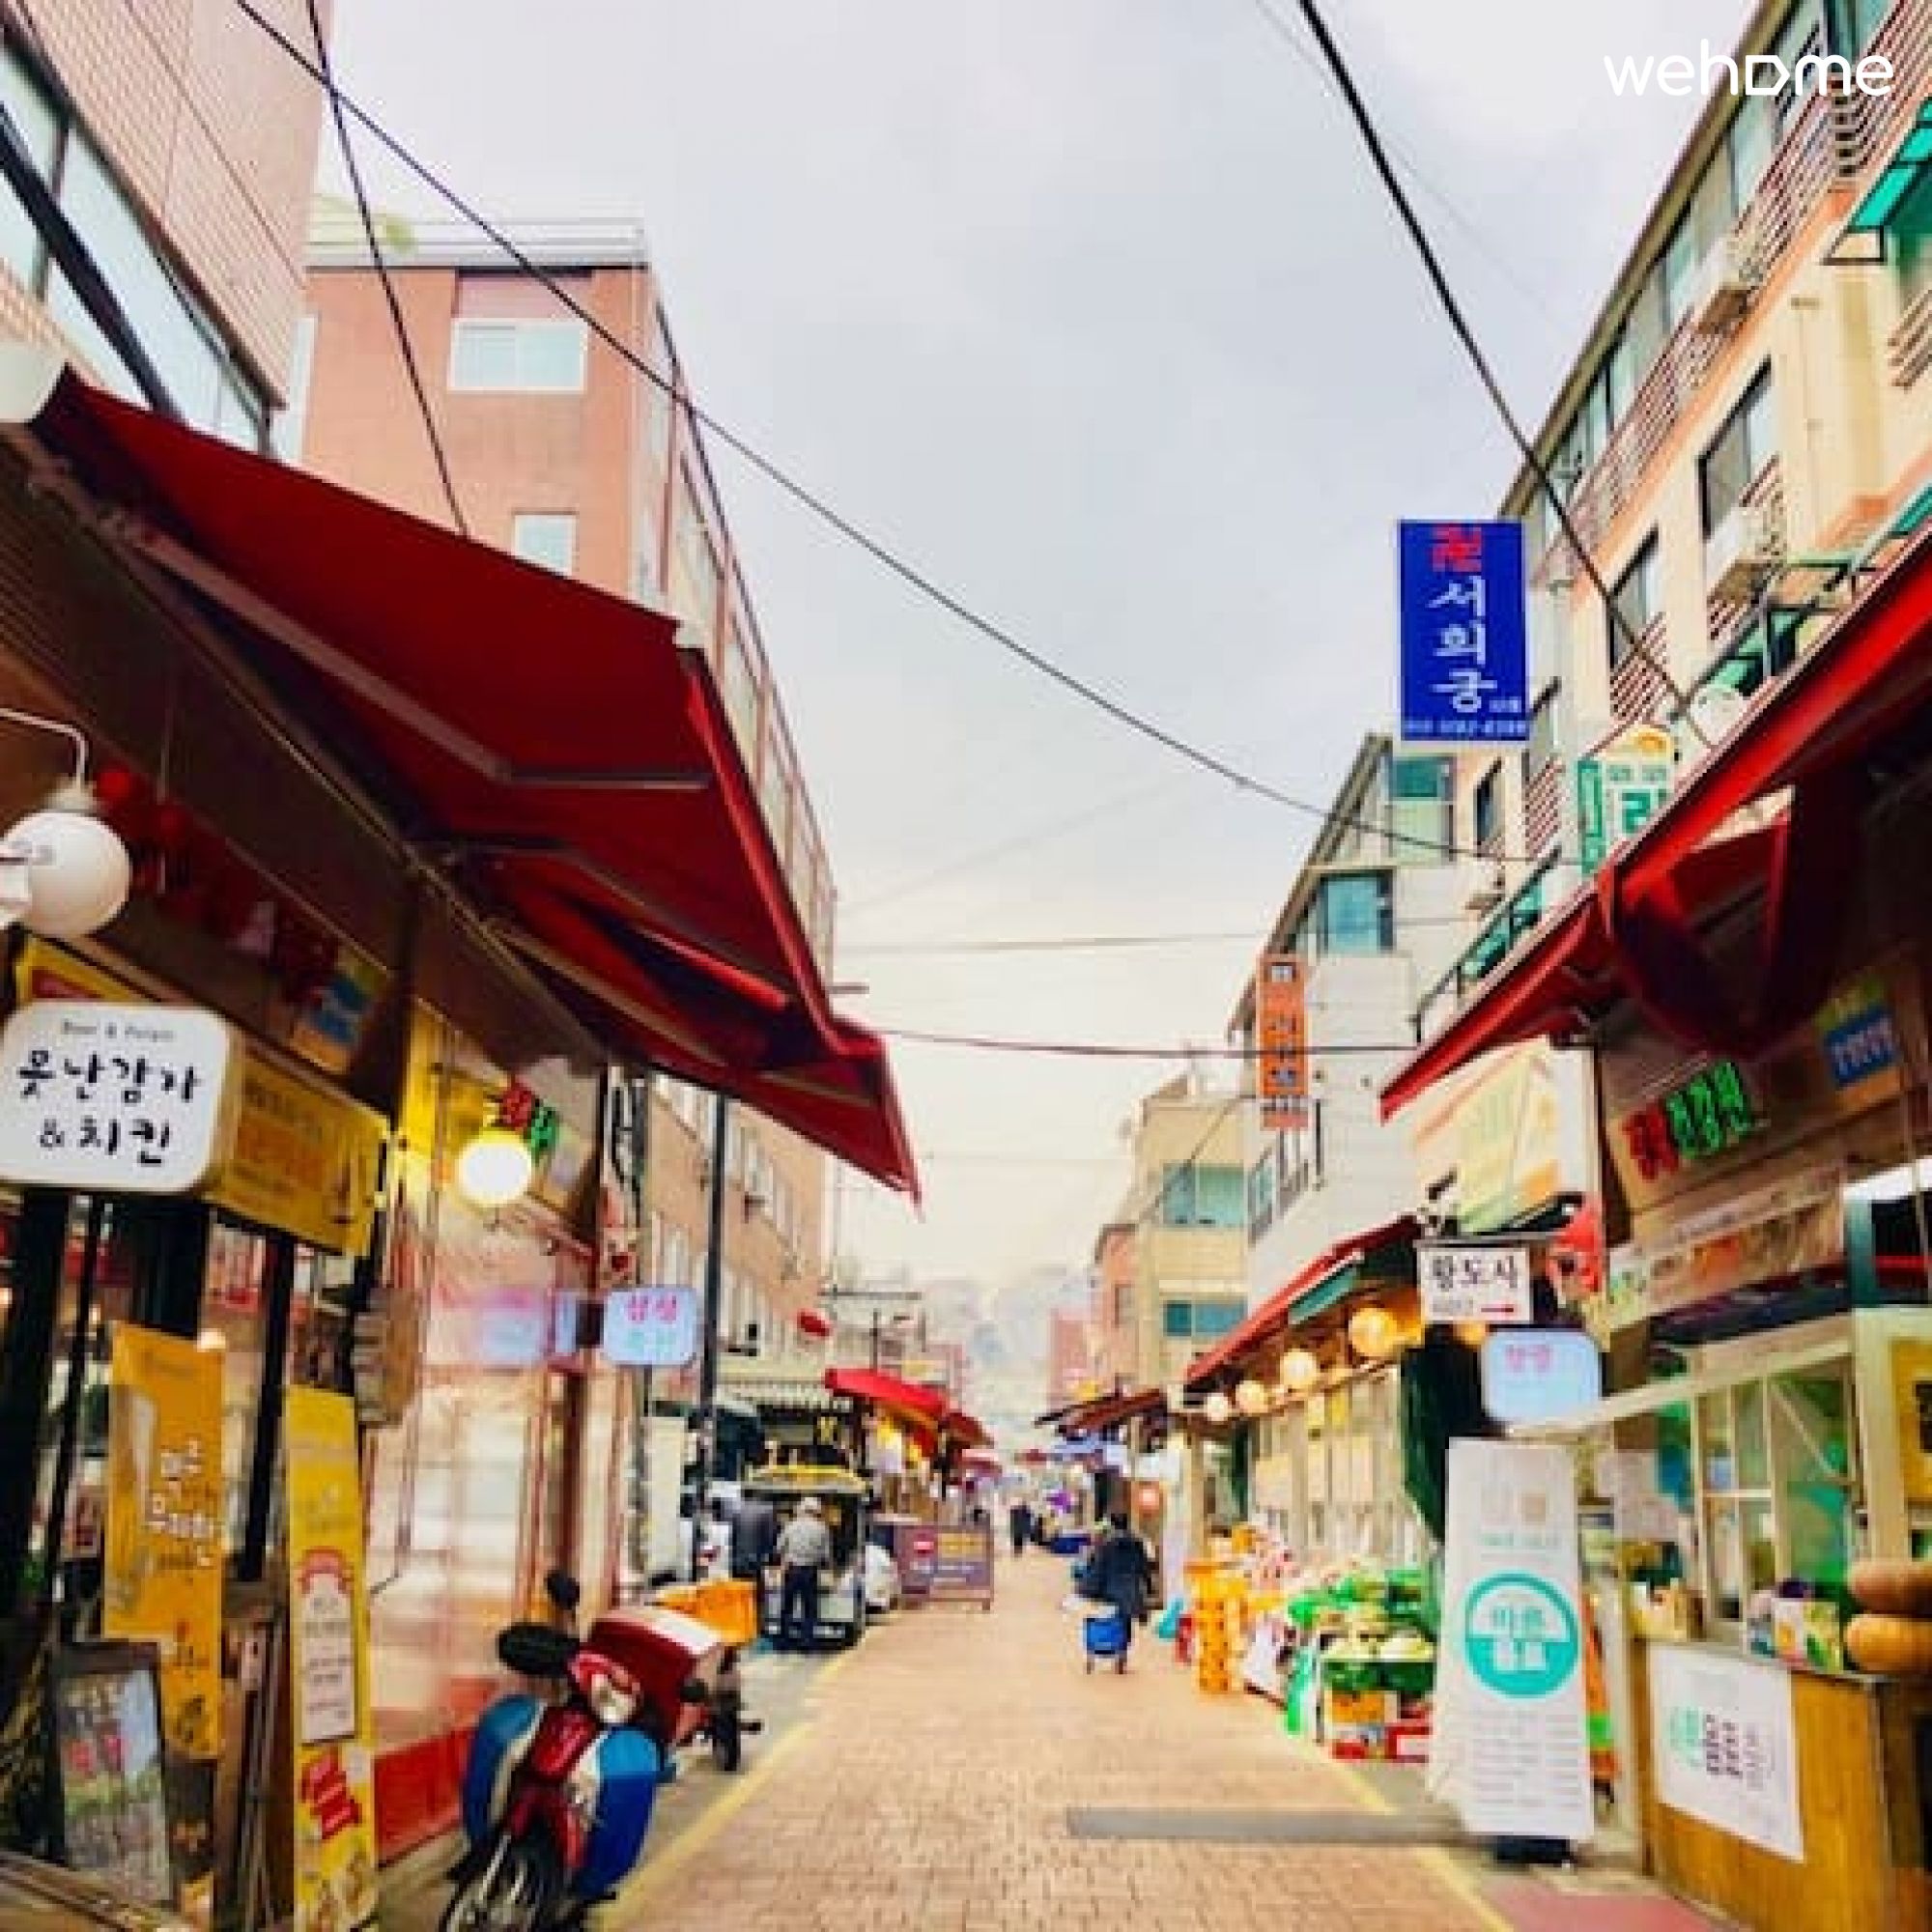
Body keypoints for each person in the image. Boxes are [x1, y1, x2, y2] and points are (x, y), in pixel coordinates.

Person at [1086, 1512, 1155, 1671]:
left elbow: (1099, 1567)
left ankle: (1105, 1648)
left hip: (1111, 1589)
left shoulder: (1106, 1544)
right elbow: (1143, 1566)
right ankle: (1122, 1654)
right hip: (1130, 1589)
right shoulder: (1137, 1542)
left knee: (1110, 1620)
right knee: (1125, 1622)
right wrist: (1149, 1587)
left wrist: (1089, 1588)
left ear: (1112, 1524)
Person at [774, 1496, 832, 1651]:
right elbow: (826, 1555)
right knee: (809, 1608)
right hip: (810, 1571)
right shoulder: (822, 1528)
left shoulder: (791, 1526)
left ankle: (783, 1641)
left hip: (791, 1570)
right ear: (816, 1511)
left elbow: (779, 1548)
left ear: (802, 1509)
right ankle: (807, 1642)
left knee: (787, 1606)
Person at [729, 1491, 778, 1582]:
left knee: (742, 1586)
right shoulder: (767, 1510)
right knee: (757, 1585)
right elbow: (770, 1536)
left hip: (739, 1558)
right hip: (759, 1559)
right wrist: (771, 1557)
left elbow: (733, 1536)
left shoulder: (737, 1510)